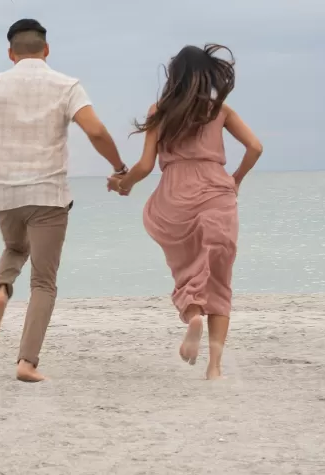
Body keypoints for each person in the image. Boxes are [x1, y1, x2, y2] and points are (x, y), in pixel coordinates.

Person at [0, 19, 127, 383]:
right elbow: (95, 130)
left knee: (15, 247)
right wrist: (119, 167)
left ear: (11, 53)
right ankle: (26, 362)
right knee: (44, 283)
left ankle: (1, 291)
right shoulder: (67, 86)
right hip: (49, 196)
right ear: (46, 50)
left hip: (6, 195)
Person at [107, 44, 263, 380]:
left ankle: (193, 314)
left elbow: (146, 165)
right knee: (220, 279)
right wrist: (235, 179)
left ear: (174, 76)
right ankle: (215, 367)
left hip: (175, 196)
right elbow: (255, 147)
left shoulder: (160, 110)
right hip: (217, 193)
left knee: (188, 269)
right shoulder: (219, 110)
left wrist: (124, 183)